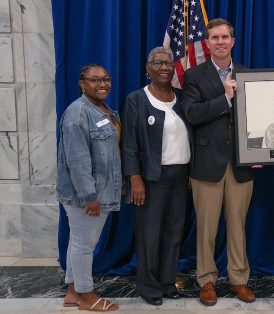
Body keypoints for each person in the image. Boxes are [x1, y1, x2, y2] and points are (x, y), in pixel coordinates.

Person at [182, 18, 258, 306]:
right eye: (215, 37)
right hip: (206, 164)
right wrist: (225, 98)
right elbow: (192, 114)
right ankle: (207, 281)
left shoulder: (248, 74)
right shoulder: (194, 76)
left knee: (237, 225)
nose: (221, 42)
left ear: (233, 41)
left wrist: (259, 152)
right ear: (207, 42)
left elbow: (258, 120)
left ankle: (239, 279)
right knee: (207, 227)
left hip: (242, 165)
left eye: (225, 36)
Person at [121, 47, 191, 306]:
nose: (164, 67)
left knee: (174, 232)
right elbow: (129, 144)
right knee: (149, 235)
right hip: (151, 179)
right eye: (158, 63)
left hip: (181, 176)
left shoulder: (182, 98)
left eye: (168, 63)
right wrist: (134, 178)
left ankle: (167, 281)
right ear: (147, 68)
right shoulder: (136, 100)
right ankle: (149, 286)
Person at [57, 64, 120, 312]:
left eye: (106, 78)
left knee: (78, 241)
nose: (102, 84)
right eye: (95, 80)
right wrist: (89, 197)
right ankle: (86, 296)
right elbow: (78, 162)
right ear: (82, 83)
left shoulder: (102, 110)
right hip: (86, 196)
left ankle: (73, 291)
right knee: (84, 246)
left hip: (100, 191)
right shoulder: (78, 114)